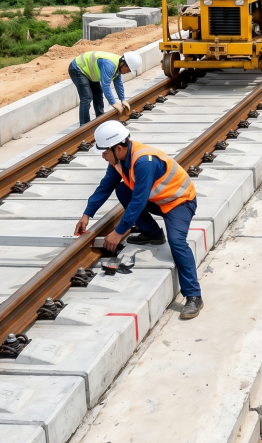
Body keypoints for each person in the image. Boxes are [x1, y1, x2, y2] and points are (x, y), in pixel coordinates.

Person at [74, 120, 203, 319]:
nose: (103, 155)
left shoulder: (143, 161)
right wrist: (86, 214)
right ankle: (153, 233)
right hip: (158, 200)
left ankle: (194, 296)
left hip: (179, 202)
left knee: (177, 242)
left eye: (105, 151)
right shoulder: (118, 161)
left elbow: (139, 201)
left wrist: (118, 232)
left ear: (118, 148)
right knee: (121, 188)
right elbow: (105, 186)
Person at [69, 50, 143, 126]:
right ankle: (84, 125)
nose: (127, 72)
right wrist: (113, 103)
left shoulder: (118, 66)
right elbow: (105, 85)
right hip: (77, 68)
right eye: (128, 70)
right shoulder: (109, 65)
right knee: (87, 97)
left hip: (88, 71)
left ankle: (100, 119)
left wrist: (122, 99)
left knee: (98, 94)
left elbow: (118, 83)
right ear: (123, 64)